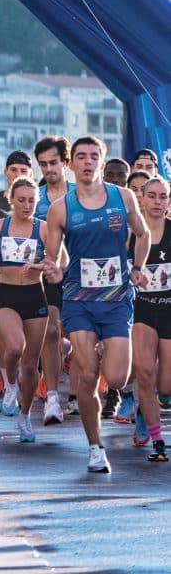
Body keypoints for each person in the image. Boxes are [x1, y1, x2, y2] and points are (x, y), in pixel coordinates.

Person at [43, 136, 150, 473]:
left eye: (93, 157)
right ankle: (94, 447)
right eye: (81, 157)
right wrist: (54, 269)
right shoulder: (61, 208)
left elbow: (143, 234)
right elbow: (55, 256)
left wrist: (138, 268)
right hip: (79, 300)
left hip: (117, 299)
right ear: (71, 164)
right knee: (88, 377)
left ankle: (103, 349)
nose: (87, 162)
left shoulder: (123, 197)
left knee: (117, 378)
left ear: (101, 164)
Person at [0, 177, 49, 441]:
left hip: (34, 296)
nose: (27, 205)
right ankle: (9, 384)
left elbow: (57, 260)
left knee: (31, 365)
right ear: (11, 199)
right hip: (6, 294)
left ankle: (25, 415)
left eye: (31, 200)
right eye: (21, 200)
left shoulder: (44, 229)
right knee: (15, 347)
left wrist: (41, 266)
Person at [130, 176, 171, 462]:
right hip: (141, 310)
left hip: (169, 308)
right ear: (141, 199)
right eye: (152, 196)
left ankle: (146, 408)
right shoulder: (132, 234)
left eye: (163, 196)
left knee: (166, 386)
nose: (157, 202)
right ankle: (157, 440)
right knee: (144, 372)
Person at [33, 136, 71, 425]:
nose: (48, 169)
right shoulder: (33, 198)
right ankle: (53, 398)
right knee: (53, 331)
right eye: (43, 164)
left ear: (65, 163)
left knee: (82, 340)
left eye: (53, 163)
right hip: (48, 274)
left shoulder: (79, 195)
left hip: (82, 273)